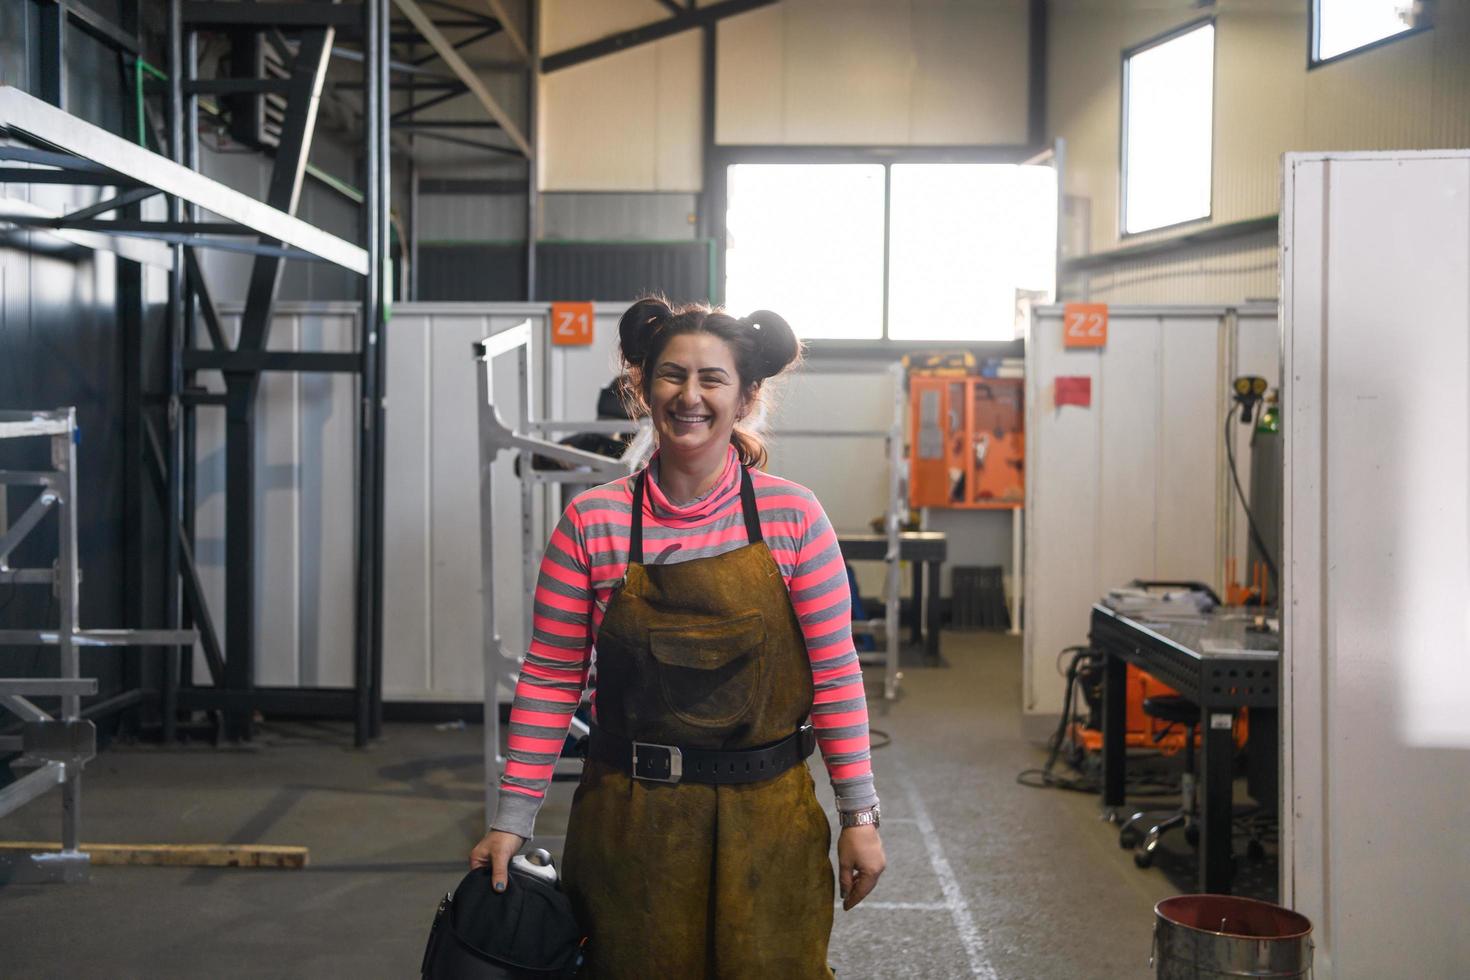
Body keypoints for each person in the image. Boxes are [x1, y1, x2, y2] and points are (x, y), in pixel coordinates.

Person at [469, 297, 885, 978]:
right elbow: (549, 679)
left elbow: (836, 676)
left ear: (746, 397)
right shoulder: (593, 522)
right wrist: (511, 820)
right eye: (671, 376)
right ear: (642, 388)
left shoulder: (793, 516)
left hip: (768, 820)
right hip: (629, 823)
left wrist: (859, 816)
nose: (690, 396)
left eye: (712, 380)